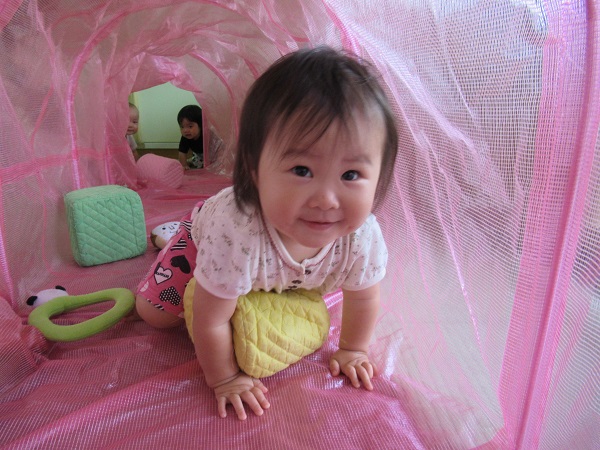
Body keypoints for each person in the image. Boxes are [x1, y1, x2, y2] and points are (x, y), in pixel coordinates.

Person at [135, 46, 398, 420]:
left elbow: (363, 298)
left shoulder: (361, 237)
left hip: (274, 274)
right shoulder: (235, 233)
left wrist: (353, 349)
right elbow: (210, 319)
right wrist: (225, 378)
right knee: (155, 315)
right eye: (302, 170)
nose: (326, 200)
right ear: (254, 169)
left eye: (351, 175)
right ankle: (175, 237)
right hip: (204, 238)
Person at [177, 104, 204, 169]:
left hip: (212, 154)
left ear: (200, 125)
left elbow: (217, 149)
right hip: (198, 154)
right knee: (197, 162)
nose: (185, 130)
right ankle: (192, 160)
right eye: (182, 127)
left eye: (190, 126)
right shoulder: (185, 138)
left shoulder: (206, 135)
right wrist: (184, 165)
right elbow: (182, 152)